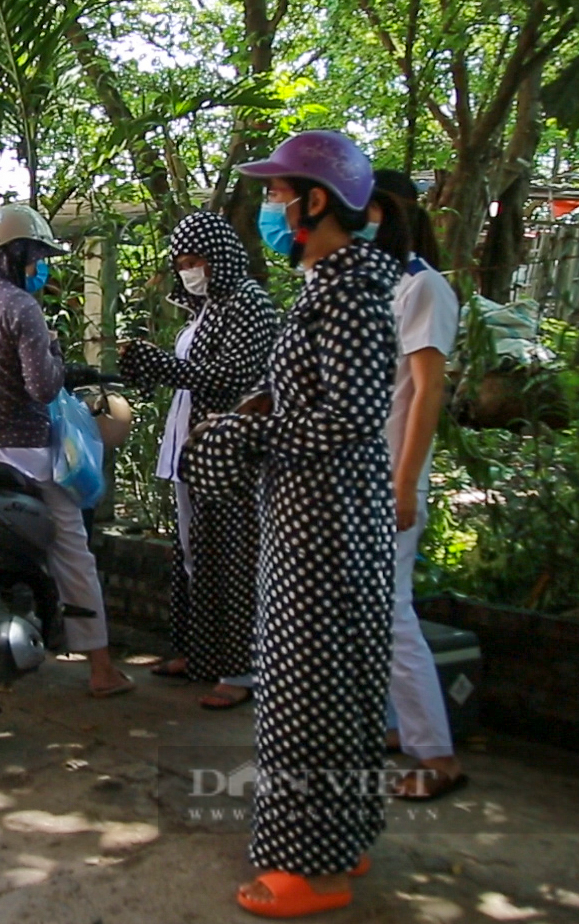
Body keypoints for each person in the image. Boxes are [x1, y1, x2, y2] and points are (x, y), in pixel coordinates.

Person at [180, 131, 406, 918]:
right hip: (313, 515)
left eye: (277, 195)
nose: (269, 209)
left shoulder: (348, 292)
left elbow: (348, 415)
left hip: (324, 525)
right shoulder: (328, 287)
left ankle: (309, 871)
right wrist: (257, 408)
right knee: (335, 688)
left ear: (314, 202)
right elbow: (307, 395)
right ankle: (341, 837)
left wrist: (250, 434)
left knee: (303, 696)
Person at [0, 203, 134, 698]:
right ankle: (101, 669)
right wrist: (58, 358)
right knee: (71, 546)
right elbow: (43, 389)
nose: (38, 267)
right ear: (14, 253)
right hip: (20, 455)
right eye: (34, 256)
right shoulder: (20, 307)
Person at [117, 211, 276, 710]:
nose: (189, 270)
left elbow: (234, 376)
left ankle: (242, 671)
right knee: (194, 555)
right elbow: (193, 371)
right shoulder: (205, 310)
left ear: (220, 258)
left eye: (196, 261)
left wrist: (163, 365)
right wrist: (150, 364)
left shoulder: (248, 305)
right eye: (182, 262)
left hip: (231, 455)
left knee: (233, 560)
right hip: (193, 449)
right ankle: (199, 654)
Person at [370, 169, 466, 800]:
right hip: (361, 480)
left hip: (389, 480)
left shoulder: (422, 288)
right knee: (374, 612)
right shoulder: (376, 286)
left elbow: (428, 392)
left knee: (390, 612)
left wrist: (405, 485)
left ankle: (436, 755)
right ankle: (402, 727)